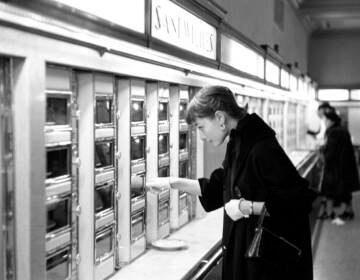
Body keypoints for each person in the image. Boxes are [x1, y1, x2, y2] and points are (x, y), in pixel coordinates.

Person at [147, 86, 315, 280]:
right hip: (249, 257)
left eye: (201, 127)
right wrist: (172, 182)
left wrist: (247, 207)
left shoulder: (261, 147)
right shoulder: (238, 143)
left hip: (270, 266)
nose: (201, 136)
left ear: (220, 118)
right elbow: (218, 187)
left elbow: (299, 202)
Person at [318, 108, 359, 222]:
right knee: (345, 190)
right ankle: (347, 211)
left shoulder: (334, 132)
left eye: (325, 120)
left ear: (331, 121)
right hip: (345, 166)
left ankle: (334, 212)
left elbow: (330, 152)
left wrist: (322, 152)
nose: (325, 123)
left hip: (336, 168)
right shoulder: (341, 129)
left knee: (332, 190)